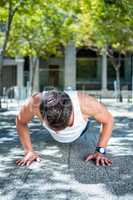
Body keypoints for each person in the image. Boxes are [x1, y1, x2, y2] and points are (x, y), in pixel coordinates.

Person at [16, 90, 114, 166]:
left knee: (94, 119)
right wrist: (28, 151)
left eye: (65, 126)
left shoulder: (86, 103)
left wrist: (100, 151)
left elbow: (109, 120)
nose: (58, 132)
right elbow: (20, 121)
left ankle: (82, 122)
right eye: (54, 128)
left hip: (81, 130)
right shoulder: (35, 103)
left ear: (71, 112)